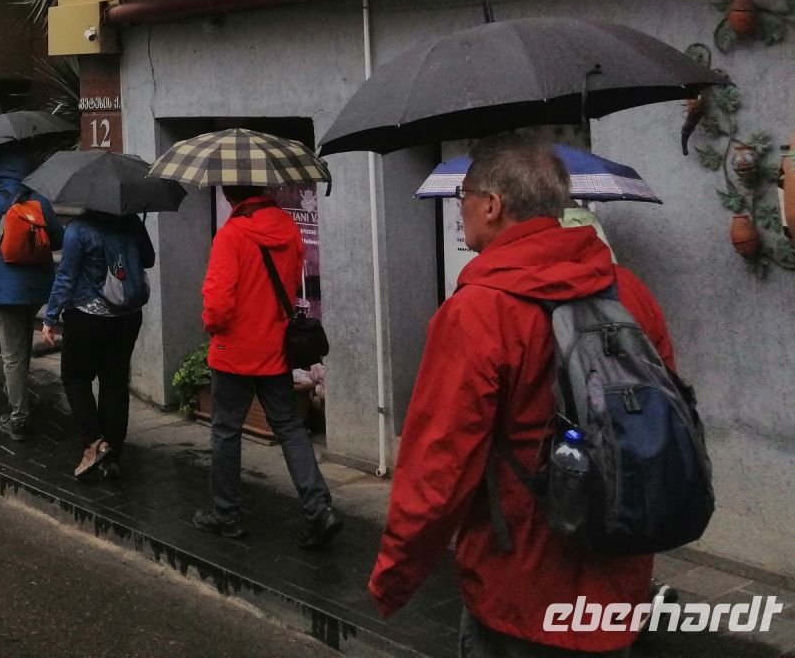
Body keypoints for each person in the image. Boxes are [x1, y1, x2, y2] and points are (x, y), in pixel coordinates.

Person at [369, 135, 677, 657]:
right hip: (617, 575)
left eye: (463, 198)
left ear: (492, 205)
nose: (460, 212)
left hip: (519, 588)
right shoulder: (629, 291)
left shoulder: (478, 311)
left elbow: (439, 464)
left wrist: (394, 577)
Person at [193, 184, 340, 548]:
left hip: (233, 351)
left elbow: (217, 305)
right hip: (275, 348)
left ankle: (227, 516)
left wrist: (212, 325)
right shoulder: (288, 228)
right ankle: (318, 507)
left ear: (230, 194)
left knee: (226, 432)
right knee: (289, 427)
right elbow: (292, 283)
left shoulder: (231, 235)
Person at [41, 209, 152, 478]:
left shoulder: (79, 228)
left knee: (75, 377)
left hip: (87, 317)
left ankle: (94, 443)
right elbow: (148, 259)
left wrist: (50, 316)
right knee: (115, 383)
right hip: (128, 316)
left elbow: (66, 275)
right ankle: (112, 458)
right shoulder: (131, 222)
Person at [0, 152, 64, 441]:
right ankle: (18, 393)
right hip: (37, 286)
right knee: (21, 346)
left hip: (4, 287)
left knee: (12, 355)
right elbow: (58, 239)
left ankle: (18, 417)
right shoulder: (40, 201)